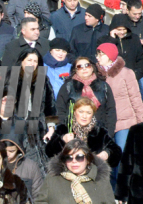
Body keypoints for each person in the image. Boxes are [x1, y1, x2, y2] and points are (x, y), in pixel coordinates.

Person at [95, 42, 143, 176]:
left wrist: (140, 123)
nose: (98, 58)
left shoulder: (126, 73)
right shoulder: (96, 75)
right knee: (106, 158)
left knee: (122, 156)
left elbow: (136, 98)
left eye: (102, 54)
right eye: (97, 54)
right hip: (105, 124)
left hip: (125, 122)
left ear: (110, 56)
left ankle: (123, 191)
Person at [37, 139, 115, 204]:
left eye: (79, 157)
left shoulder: (101, 180)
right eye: (69, 157)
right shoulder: (52, 179)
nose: (74, 161)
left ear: (87, 160)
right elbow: (40, 202)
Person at [55, 57, 117, 137]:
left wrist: (108, 134)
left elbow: (111, 111)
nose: (84, 69)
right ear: (75, 70)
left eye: (87, 65)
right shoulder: (67, 86)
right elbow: (60, 110)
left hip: (99, 133)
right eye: (80, 67)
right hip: (74, 134)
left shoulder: (104, 86)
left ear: (92, 68)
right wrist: (66, 133)